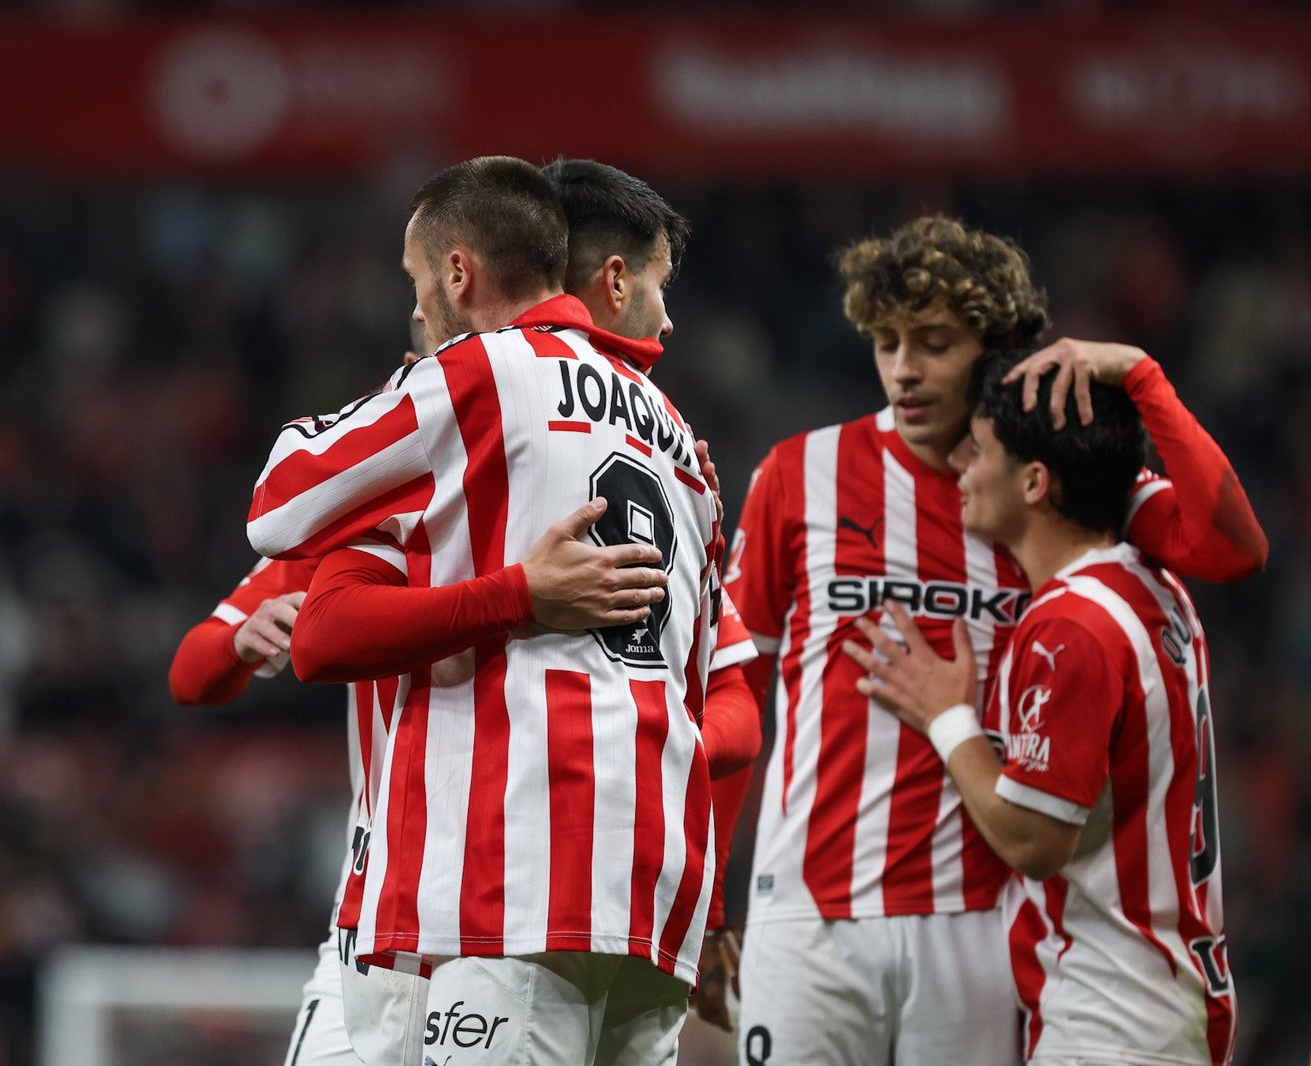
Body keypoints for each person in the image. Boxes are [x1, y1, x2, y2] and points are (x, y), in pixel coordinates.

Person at [719, 215, 1266, 1065]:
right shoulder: (798, 474)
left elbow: (1231, 547)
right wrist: (707, 895)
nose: (904, 369)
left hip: (982, 923)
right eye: (887, 341)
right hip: (809, 914)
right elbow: (734, 690)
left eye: (934, 342)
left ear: (999, 346)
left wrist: (1139, 373)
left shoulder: (1049, 484)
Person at [248, 156, 733, 1065]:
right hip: (656, 886)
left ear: (457, 273)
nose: (415, 305)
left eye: (416, 280)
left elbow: (277, 505)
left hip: (521, 875)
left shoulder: (484, 375)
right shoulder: (690, 454)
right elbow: (713, 699)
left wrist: (499, 585)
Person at [844, 349, 1236, 1064]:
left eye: (981, 448)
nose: (961, 462)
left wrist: (947, 718)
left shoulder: (1069, 626)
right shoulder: (1157, 590)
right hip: (1169, 997)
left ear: (1034, 480)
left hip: (1108, 1020)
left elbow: (1033, 839)